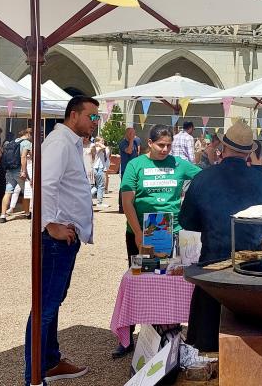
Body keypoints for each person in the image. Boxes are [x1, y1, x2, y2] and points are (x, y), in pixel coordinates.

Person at [179, 121, 262, 352]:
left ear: (223, 147)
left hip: (211, 266)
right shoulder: (260, 179)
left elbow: (186, 222)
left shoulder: (203, 178)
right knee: (248, 340)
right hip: (251, 268)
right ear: (249, 152)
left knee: (206, 342)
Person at [24, 95, 100, 385]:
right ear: (74, 115)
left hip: (66, 238)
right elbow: (44, 184)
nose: (95, 122)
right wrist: (49, 225)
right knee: (45, 306)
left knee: (52, 303)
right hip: (56, 240)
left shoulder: (69, 142)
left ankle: (50, 361)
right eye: (91, 116)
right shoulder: (59, 143)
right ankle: (33, 377)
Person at [114, 124, 202, 358]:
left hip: (172, 233)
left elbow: (204, 179)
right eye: (160, 145)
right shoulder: (136, 165)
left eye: (168, 146)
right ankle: (128, 337)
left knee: (170, 281)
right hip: (139, 233)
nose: (165, 150)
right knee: (138, 281)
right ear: (150, 144)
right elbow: (127, 202)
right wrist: (139, 233)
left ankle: (168, 332)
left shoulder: (179, 164)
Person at [0, 128, 32, 223]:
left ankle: (2, 215)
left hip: (9, 171)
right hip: (19, 171)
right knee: (26, 193)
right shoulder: (26, 143)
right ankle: (27, 213)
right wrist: (24, 171)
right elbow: (23, 156)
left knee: (8, 192)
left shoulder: (13, 142)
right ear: (28, 134)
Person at [118, 127, 141, 213]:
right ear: (127, 134)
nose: (134, 135)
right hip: (125, 169)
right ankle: (121, 207)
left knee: (134, 187)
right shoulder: (123, 143)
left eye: (134, 133)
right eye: (131, 133)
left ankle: (132, 205)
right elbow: (129, 151)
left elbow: (137, 153)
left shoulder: (135, 142)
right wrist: (131, 140)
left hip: (134, 169)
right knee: (124, 187)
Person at [93, 136, 109, 208]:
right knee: (101, 186)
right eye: (101, 141)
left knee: (97, 186)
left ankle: (87, 196)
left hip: (100, 168)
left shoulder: (99, 148)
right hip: (98, 168)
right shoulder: (96, 148)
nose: (103, 142)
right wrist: (97, 143)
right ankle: (99, 202)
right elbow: (103, 147)